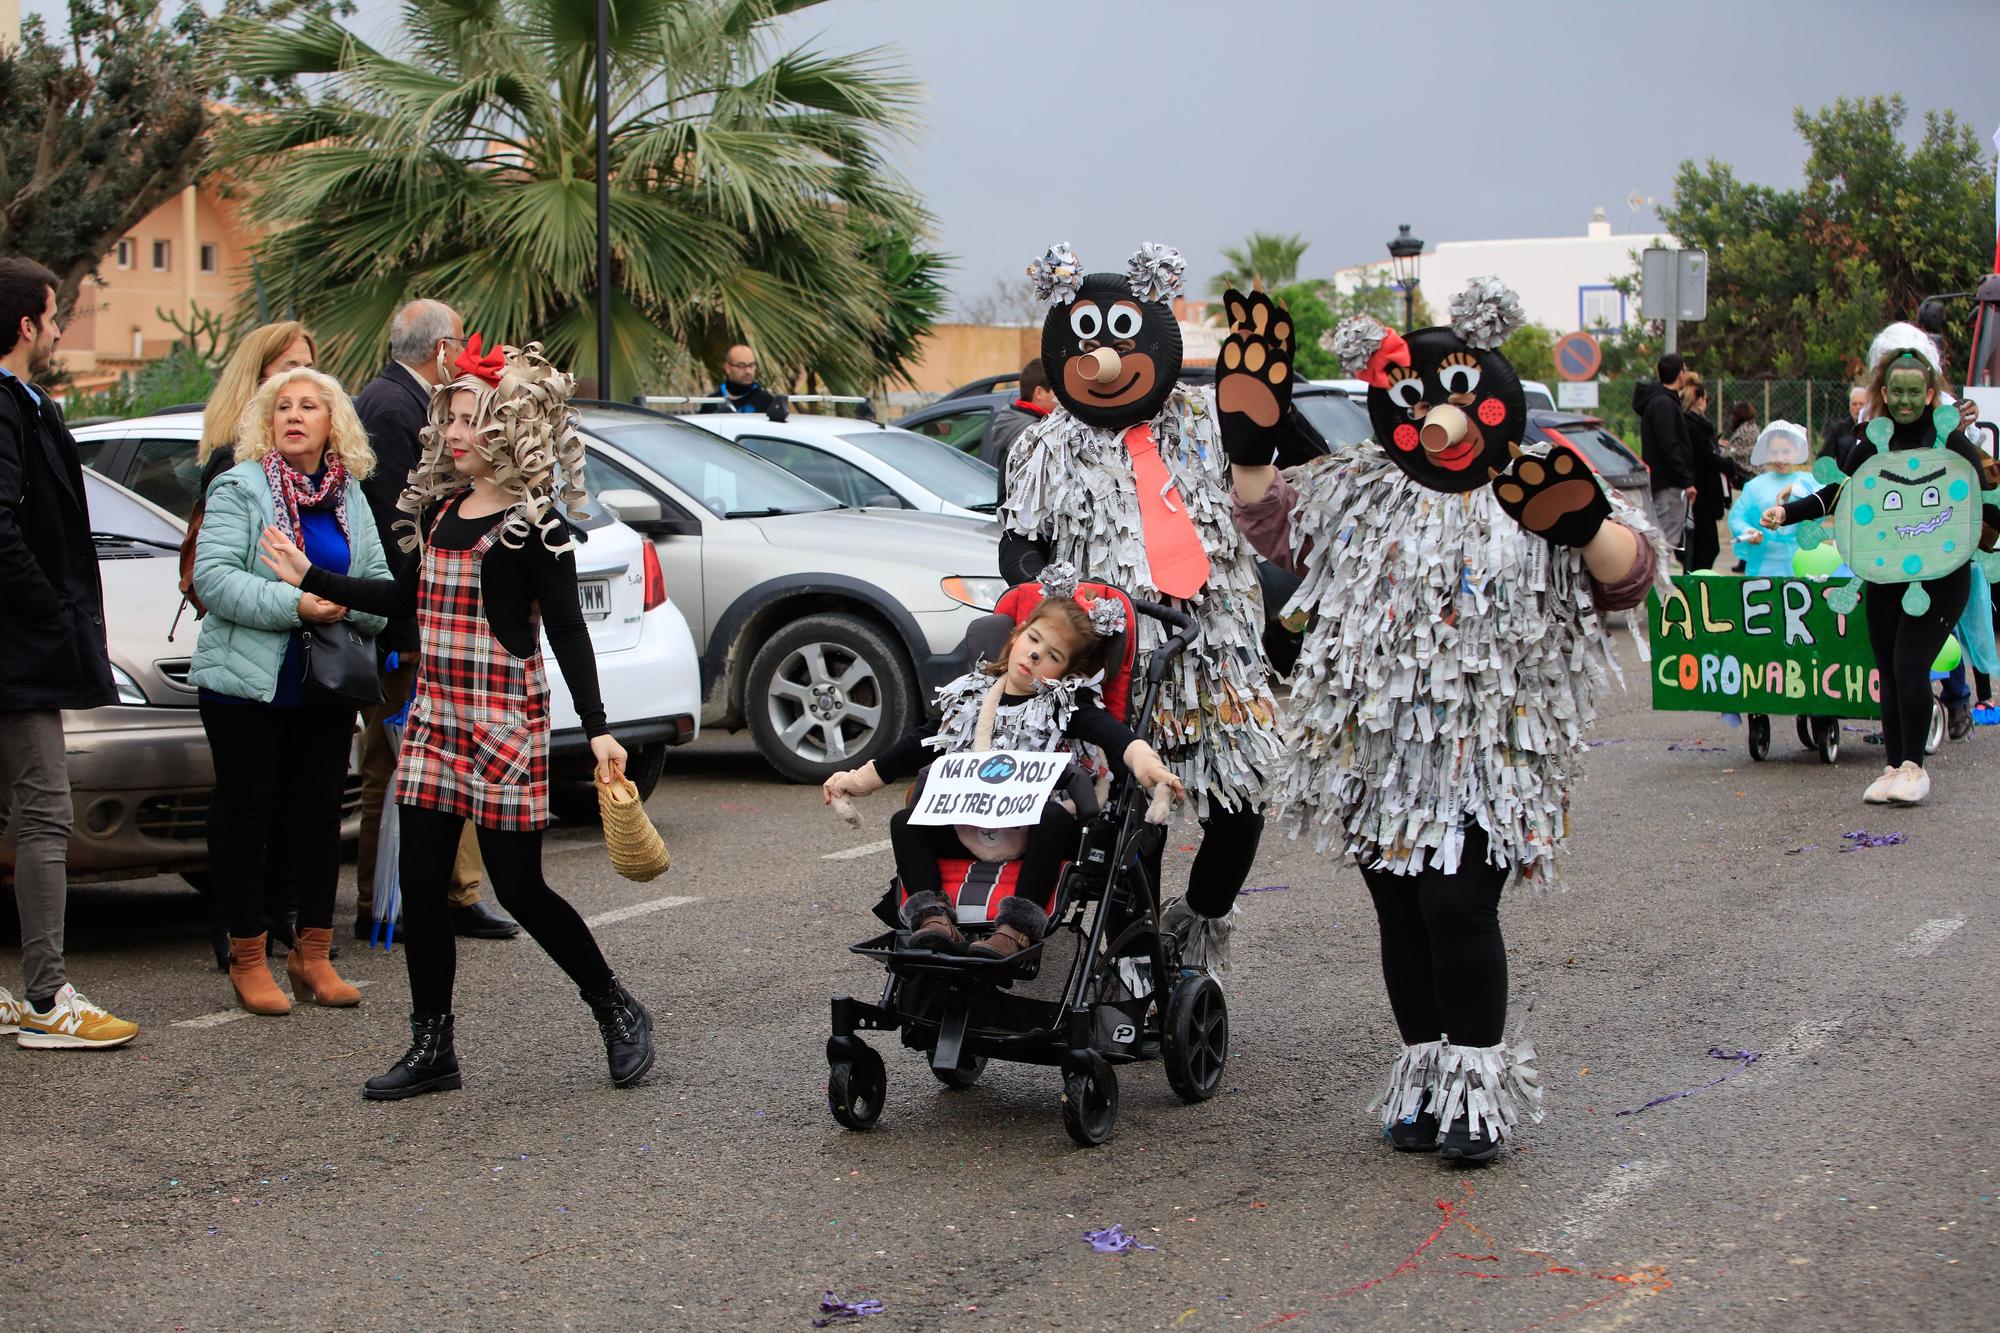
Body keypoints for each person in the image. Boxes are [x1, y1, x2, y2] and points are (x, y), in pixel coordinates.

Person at [1230, 279, 1664, 1164]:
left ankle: (1477, 1087)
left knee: (1457, 902)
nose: (1437, 415)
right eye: (1416, 398)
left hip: (1495, 750)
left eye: (1457, 395)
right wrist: (1249, 442)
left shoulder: (1537, 477)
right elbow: (1272, 528)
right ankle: (1424, 1073)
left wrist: (1584, 527)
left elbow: (1632, 574)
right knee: (1402, 911)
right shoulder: (1364, 483)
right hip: (1377, 749)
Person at [260, 338, 655, 1098]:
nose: (456, 434)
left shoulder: (534, 525)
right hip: (436, 718)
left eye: (474, 420)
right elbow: (399, 599)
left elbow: (567, 628)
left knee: (520, 887)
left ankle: (615, 1004)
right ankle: (432, 1046)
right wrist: (310, 575)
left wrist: (600, 724)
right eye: (452, 420)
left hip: (505, 721)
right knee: (421, 878)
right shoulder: (441, 511)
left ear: (512, 426)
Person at [1001, 242, 1282, 977]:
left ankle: (1204, 917)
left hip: (1214, 650)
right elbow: (1017, 546)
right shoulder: (1043, 447)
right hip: (1109, 659)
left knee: (1242, 801)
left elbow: (1270, 498)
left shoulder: (1206, 420)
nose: (1101, 358)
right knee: (1130, 815)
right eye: (1084, 338)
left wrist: (1260, 427)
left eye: (1121, 334)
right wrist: (1051, 592)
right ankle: (1132, 958)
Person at [821, 570, 1181, 959]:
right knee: (905, 823)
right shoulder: (969, 698)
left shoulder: (1064, 705)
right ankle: (932, 920)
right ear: (1016, 635)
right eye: (1033, 639)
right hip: (966, 822)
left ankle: (1016, 929)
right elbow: (918, 744)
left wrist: (1149, 767)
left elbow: (1115, 736)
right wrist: (858, 780)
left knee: (1053, 817)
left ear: (1066, 673)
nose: (1035, 655)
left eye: (1053, 656)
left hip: (1033, 831)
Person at [191, 367, 388, 1014]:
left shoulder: (348, 494)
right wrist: (296, 602)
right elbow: (213, 579)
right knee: (248, 815)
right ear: (267, 422)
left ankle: (313, 951)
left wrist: (337, 599)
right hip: (246, 684)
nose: (295, 415)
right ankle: (248, 954)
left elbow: (381, 586)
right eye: (283, 407)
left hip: (325, 686)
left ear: (334, 422)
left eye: (311, 405)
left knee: (318, 818)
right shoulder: (238, 488)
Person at [1767, 325, 2000, 806]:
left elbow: (1983, 500)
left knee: (1910, 664)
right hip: (1884, 572)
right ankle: (1894, 767)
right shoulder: (1872, 444)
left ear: (1931, 392)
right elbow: (1838, 491)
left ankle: (1915, 767)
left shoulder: (1951, 443)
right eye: (1898, 391)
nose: (1907, 400)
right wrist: (1789, 513)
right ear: (1884, 393)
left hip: (1942, 575)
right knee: (1889, 671)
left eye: (1916, 391)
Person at [0, 257, 138, 1049]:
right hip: (17, 655)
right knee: (47, 812)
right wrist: (49, 611)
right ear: (26, 324)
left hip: (24, 647)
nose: (58, 330)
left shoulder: (27, 404)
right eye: (53, 316)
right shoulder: (4, 407)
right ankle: (49, 997)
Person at [350, 299, 518, 942]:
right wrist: (414, 629)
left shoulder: (388, 398)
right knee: (406, 767)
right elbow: (402, 529)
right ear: (444, 348)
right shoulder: (396, 407)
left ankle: (427, 895)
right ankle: (420, 898)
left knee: (407, 766)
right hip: (418, 625)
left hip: (419, 621)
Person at [185, 321, 322, 969]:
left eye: (307, 368)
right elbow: (212, 578)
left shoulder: (331, 474)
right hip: (246, 660)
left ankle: (286, 918)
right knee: (244, 802)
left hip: (310, 667)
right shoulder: (233, 469)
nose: (295, 380)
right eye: (283, 367)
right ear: (257, 378)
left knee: (295, 802)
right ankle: (237, 927)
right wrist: (296, 600)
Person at [1727, 421, 1814, 576]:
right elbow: (1737, 517)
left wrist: (1796, 490)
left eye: (1786, 451)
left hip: (1801, 566)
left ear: (1797, 450)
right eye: (1774, 452)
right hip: (1762, 568)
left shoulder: (1809, 482)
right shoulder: (1754, 486)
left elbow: (1823, 504)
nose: (1780, 458)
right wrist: (1748, 530)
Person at [1634, 352, 1694, 563]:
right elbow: (1670, 445)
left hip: (1664, 481)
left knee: (1664, 539)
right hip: (1669, 484)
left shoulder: (1660, 401)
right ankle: (1659, 590)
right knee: (1665, 542)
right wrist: (1686, 480)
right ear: (1680, 374)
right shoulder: (1664, 404)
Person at [1681, 373, 1731, 571]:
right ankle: (1698, 581)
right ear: (1700, 400)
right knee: (1708, 546)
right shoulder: (1695, 426)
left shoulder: (1691, 424)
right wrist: (1727, 464)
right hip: (1703, 493)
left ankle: (1696, 577)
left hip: (1702, 493)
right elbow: (1704, 456)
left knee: (1702, 544)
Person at [982, 357, 1056, 474]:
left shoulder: (1014, 422)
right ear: (1039, 393)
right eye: (1056, 390)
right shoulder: (1030, 431)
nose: (1061, 397)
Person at [698, 344, 786, 418]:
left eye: (751, 365)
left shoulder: (767, 401)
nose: (748, 371)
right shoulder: (712, 402)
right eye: (741, 366)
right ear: (727, 368)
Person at [1821, 384, 1867, 461]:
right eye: (1854, 404)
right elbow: (1824, 458)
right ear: (1850, 407)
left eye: (1861, 404)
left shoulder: (1874, 429)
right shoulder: (1838, 429)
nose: (1858, 408)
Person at [1723, 400, 1759, 474]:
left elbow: (1733, 454)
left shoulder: (1745, 431)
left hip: (1748, 474)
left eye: (1734, 415)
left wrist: (1723, 450)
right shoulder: (1752, 427)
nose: (1731, 418)